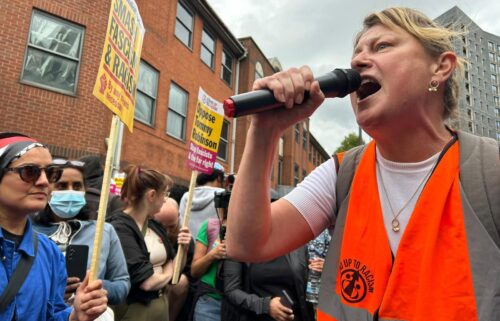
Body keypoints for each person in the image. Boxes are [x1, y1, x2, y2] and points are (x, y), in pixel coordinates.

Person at [226, 7, 500, 321]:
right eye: (356, 54)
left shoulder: (490, 169)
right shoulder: (341, 173)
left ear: (440, 67)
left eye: (382, 46)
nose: (357, 61)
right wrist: (265, 131)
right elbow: (246, 243)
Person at [0, 132, 108, 321]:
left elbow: (53, 314)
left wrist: (76, 315)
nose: (44, 182)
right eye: (29, 171)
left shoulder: (49, 252)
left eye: (51, 173)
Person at [32, 158, 130, 306]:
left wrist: (95, 286)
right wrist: (51, 290)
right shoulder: (28, 230)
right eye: (62, 186)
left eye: (77, 186)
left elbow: (122, 284)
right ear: (47, 189)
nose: (70, 191)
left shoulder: (103, 231)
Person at [107, 165, 190, 321]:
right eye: (164, 193)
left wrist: (183, 249)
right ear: (152, 195)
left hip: (160, 306)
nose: (166, 199)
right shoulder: (119, 228)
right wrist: (168, 272)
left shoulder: (154, 224)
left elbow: (175, 265)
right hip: (135, 311)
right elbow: (147, 282)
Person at [223, 246, 315, 321]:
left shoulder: (298, 244)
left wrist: (321, 272)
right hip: (254, 316)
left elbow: (304, 287)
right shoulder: (238, 244)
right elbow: (231, 290)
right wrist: (265, 306)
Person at [153, 197, 195, 321]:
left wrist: (184, 250)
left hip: (170, 287)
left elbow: (186, 275)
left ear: (178, 216)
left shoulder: (184, 238)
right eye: (161, 226)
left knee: (181, 282)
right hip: (147, 278)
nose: (166, 232)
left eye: (171, 226)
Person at [190, 190, 229, 321]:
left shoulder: (249, 229)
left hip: (239, 304)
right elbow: (194, 271)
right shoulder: (210, 226)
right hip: (209, 301)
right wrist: (212, 255)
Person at [179, 162, 225, 238]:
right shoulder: (222, 195)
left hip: (187, 246)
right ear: (219, 178)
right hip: (213, 249)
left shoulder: (187, 196)